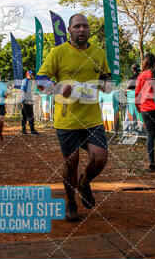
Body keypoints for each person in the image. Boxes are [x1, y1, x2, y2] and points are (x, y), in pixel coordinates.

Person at [36, 13, 112, 222]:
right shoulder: (58, 52)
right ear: (69, 30)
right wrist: (59, 87)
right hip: (67, 117)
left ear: (89, 30)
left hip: (92, 118)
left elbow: (106, 77)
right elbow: (40, 81)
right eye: (77, 26)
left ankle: (84, 182)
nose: (81, 30)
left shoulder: (98, 52)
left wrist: (107, 84)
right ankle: (70, 203)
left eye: (85, 26)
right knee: (71, 161)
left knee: (100, 158)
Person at [135, 53, 155, 172]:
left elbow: (137, 94)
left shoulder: (141, 76)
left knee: (151, 135)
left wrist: (138, 108)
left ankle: (152, 162)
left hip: (146, 109)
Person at [20, 70, 39, 135]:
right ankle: (32, 131)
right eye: (30, 75)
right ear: (27, 75)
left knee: (25, 116)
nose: (31, 76)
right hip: (26, 101)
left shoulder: (29, 82)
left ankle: (23, 130)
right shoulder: (25, 81)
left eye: (31, 75)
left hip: (28, 101)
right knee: (30, 116)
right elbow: (22, 91)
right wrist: (25, 101)